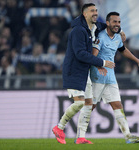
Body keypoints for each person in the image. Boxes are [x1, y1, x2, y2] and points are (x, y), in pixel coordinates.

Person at [52, 3, 115, 144]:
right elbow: (80, 54)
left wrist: (119, 31)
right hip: (73, 70)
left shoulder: (93, 28)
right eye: (92, 11)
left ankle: (80, 137)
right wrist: (102, 63)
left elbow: (104, 26)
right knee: (80, 103)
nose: (95, 13)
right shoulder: (78, 31)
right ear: (84, 14)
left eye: (96, 11)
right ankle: (59, 127)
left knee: (88, 103)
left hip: (83, 71)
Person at [90, 12, 139, 144]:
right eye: (114, 22)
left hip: (110, 77)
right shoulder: (101, 37)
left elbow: (123, 49)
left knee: (117, 104)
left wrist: (137, 61)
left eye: (119, 22)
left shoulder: (117, 37)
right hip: (98, 76)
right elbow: (93, 55)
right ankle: (76, 133)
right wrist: (99, 66)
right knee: (90, 106)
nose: (117, 24)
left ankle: (128, 136)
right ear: (108, 23)